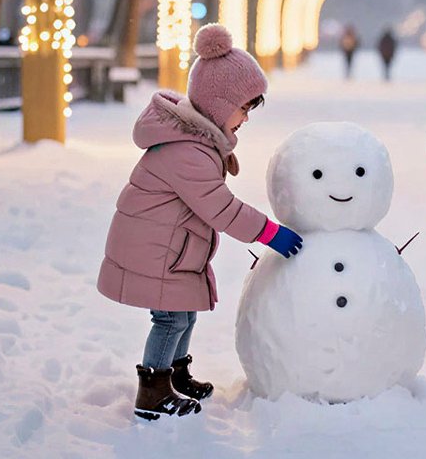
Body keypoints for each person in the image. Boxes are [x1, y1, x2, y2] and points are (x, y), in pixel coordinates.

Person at [97, 23, 304, 420]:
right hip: (155, 250)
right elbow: (220, 207)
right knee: (170, 318)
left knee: (183, 313)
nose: (245, 118)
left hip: (169, 246)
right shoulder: (187, 152)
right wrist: (270, 233)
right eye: (244, 108)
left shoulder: (197, 142)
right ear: (220, 105)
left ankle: (175, 374)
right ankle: (154, 390)